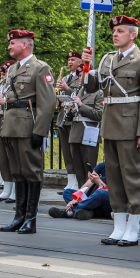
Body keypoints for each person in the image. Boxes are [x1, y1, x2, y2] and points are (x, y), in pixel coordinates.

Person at [82, 15, 140, 246]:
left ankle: (133, 227)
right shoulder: (106, 60)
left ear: (133, 35)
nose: (116, 34)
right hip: (110, 125)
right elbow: (91, 86)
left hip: (130, 126)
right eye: (115, 31)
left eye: (121, 31)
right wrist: (86, 67)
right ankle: (118, 226)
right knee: (113, 177)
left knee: (131, 177)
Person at [0, 30, 55, 234]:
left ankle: (31, 218)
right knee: (17, 172)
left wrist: (40, 131)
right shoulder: (13, 69)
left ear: (25, 45)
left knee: (31, 171)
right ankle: (18, 217)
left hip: (28, 126)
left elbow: (47, 103)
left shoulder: (40, 68)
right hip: (10, 125)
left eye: (12, 43)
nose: (9, 47)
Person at [55, 51, 85, 189]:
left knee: (74, 152)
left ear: (80, 62)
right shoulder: (66, 77)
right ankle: (70, 182)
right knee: (66, 152)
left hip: (73, 117)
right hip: (63, 116)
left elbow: (80, 93)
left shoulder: (81, 77)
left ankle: (76, 183)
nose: (70, 62)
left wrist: (67, 89)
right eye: (68, 60)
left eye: (73, 60)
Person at [66, 78, 103, 184]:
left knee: (89, 169)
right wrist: (68, 110)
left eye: (84, 75)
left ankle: (89, 195)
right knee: (78, 169)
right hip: (75, 134)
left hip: (89, 134)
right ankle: (80, 194)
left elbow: (99, 115)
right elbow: (70, 118)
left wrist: (81, 105)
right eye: (81, 75)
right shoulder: (76, 92)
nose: (81, 78)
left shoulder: (98, 93)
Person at [0, 61, 17, 202]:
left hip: (11, 121)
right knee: (3, 157)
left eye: (6, 72)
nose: (4, 75)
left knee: (12, 157)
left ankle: (14, 189)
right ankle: (7, 188)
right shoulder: (3, 86)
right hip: (0, 121)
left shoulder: (14, 85)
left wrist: (5, 102)